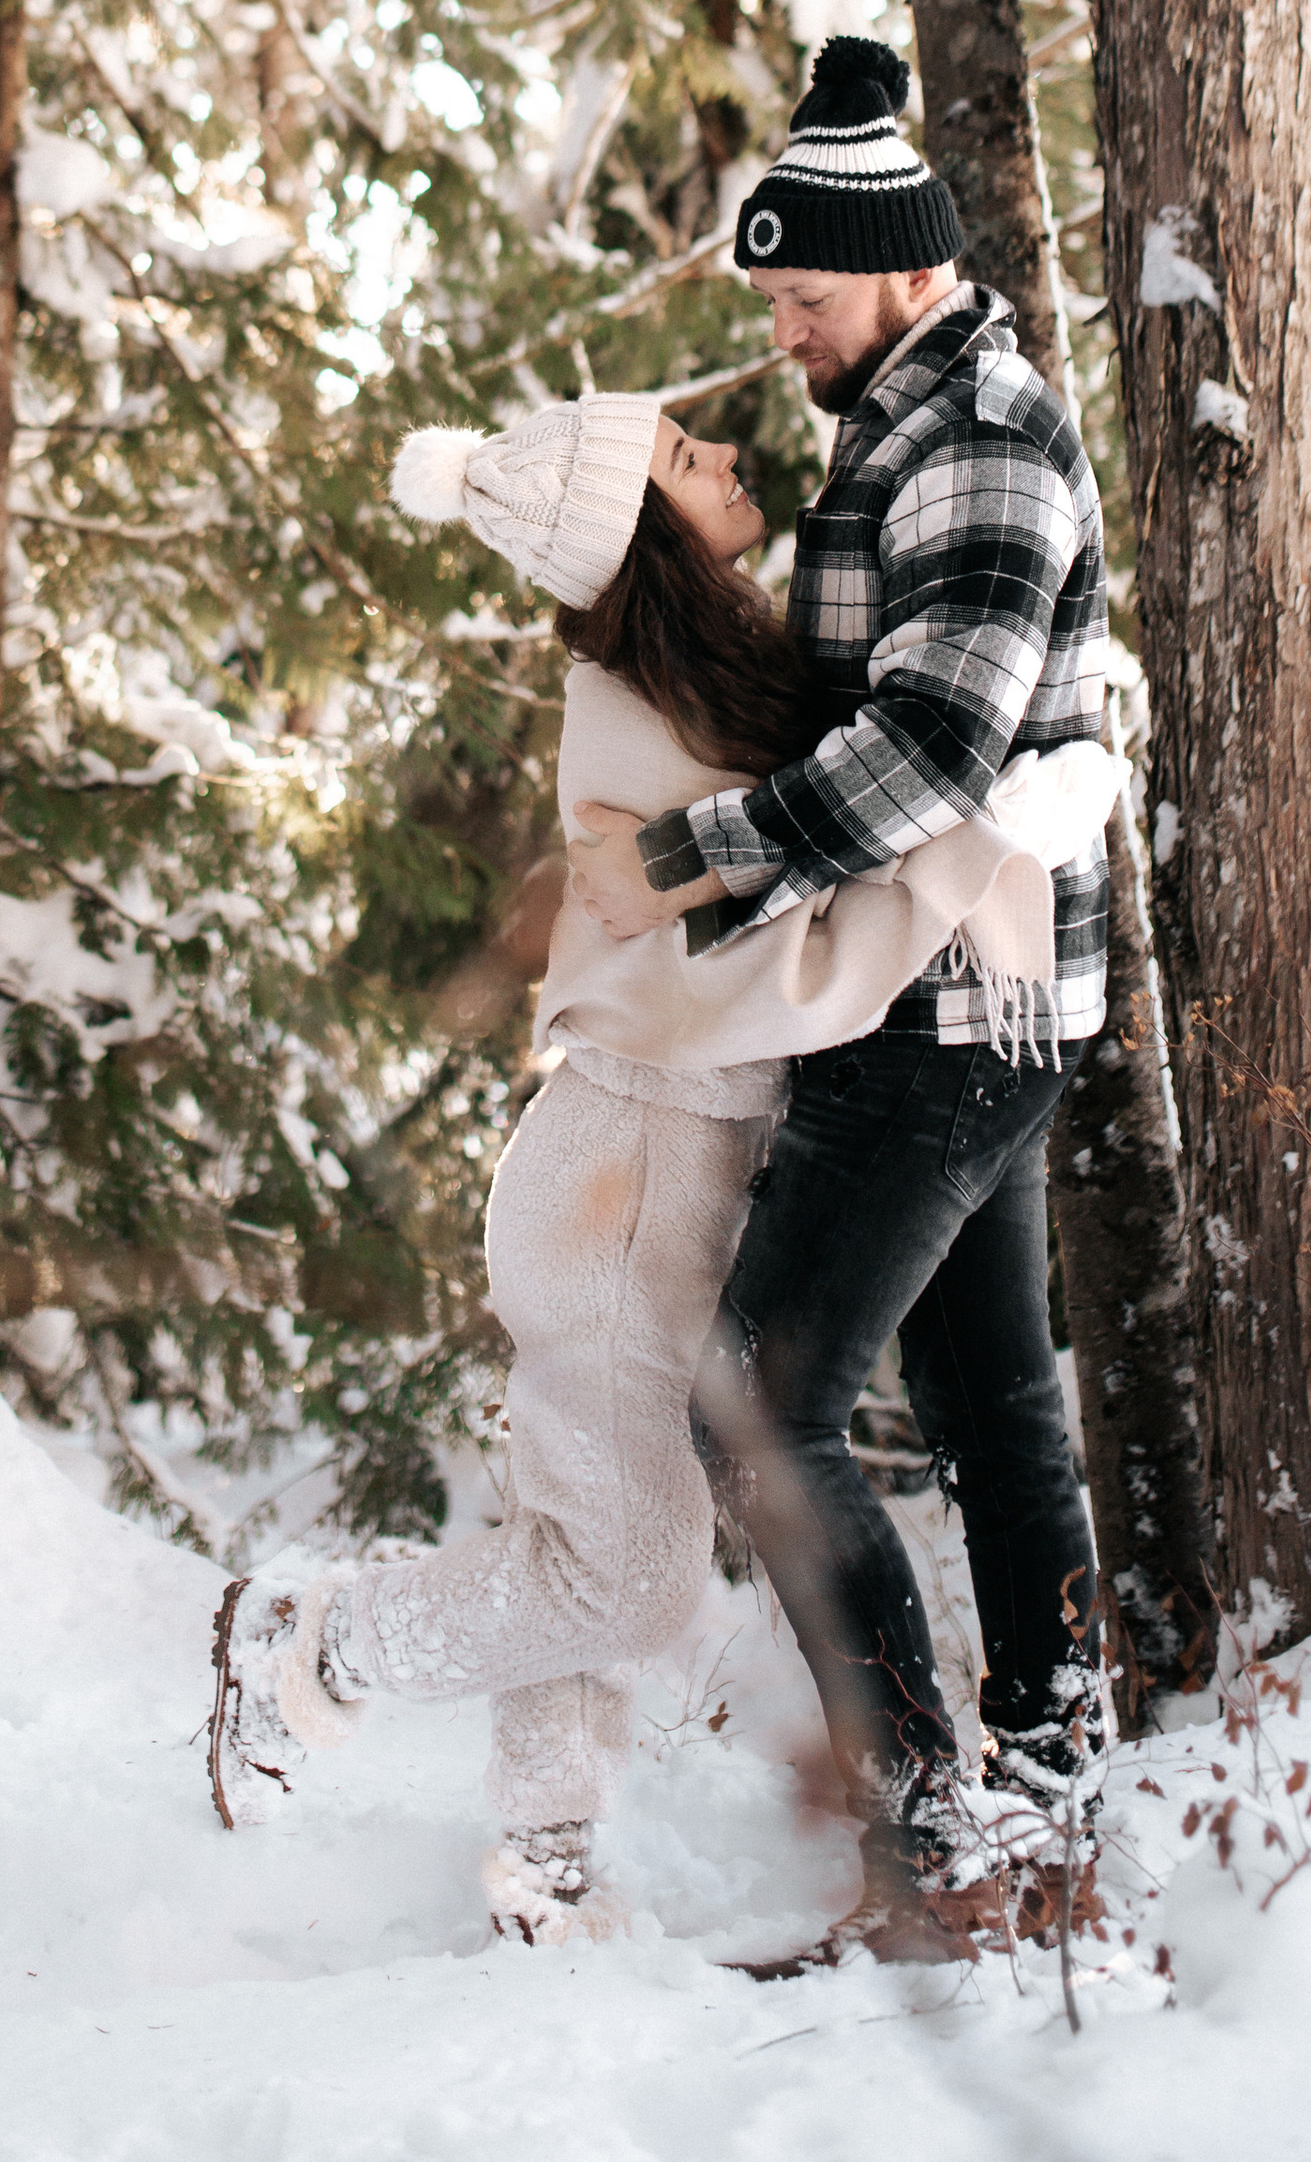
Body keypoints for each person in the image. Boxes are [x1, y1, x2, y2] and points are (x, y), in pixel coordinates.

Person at [206, 368, 1116, 1947]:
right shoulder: (640, 714)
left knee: (599, 1538)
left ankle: (545, 1855)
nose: (726, 456)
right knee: (629, 1571)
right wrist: (993, 842)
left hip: (667, 1181)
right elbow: (782, 961)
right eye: (686, 458)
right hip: (626, 1185)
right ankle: (319, 1640)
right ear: (647, 537)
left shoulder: (719, 666)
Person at [566, 33, 1114, 1919]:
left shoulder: (976, 437)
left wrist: (678, 865)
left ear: (894, 271)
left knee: (761, 1404)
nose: (784, 335)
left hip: (953, 1012)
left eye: (802, 298)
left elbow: (933, 754)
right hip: (952, 997)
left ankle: (938, 1827)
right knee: (997, 1418)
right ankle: (1044, 1804)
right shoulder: (897, 426)